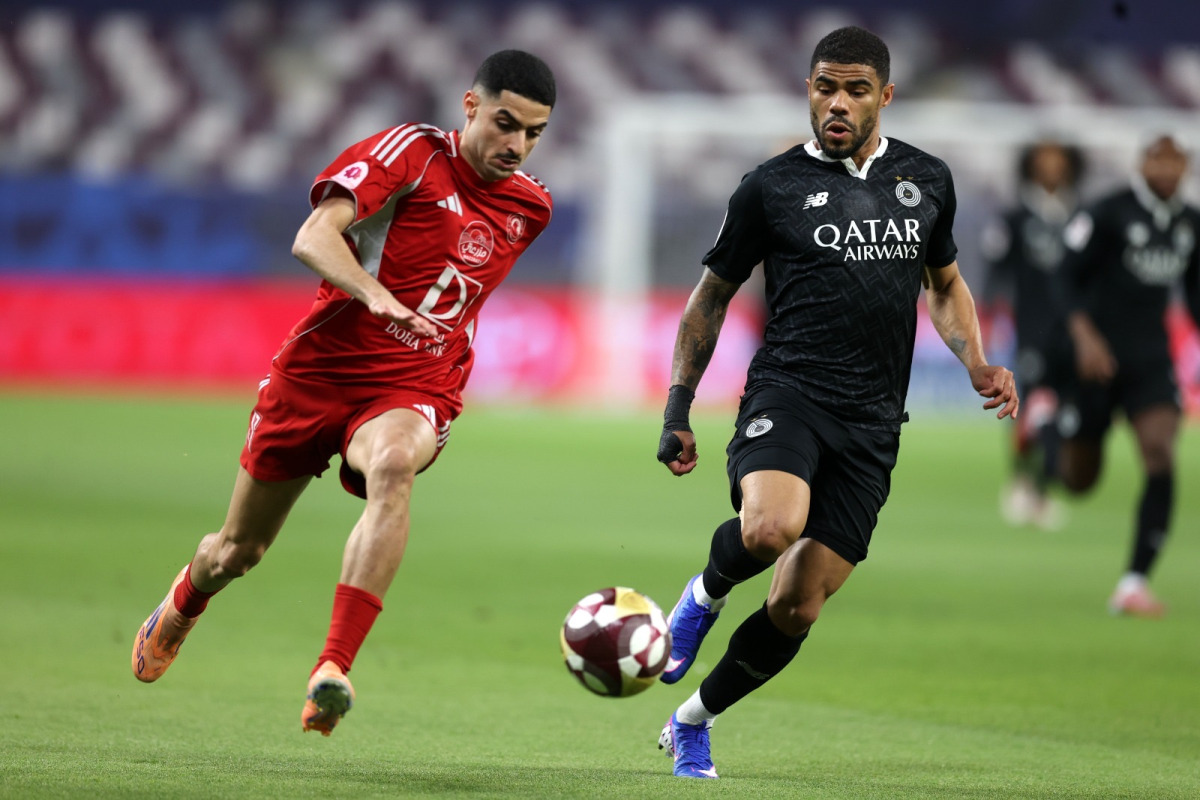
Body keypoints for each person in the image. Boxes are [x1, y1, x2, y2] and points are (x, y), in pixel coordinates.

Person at [131, 50, 556, 735]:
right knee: (237, 552)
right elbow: (313, 237)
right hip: (319, 374)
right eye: (506, 123)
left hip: (414, 383)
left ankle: (332, 668)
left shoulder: (531, 207)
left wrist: (420, 337)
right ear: (471, 106)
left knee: (393, 466)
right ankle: (184, 601)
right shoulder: (411, 153)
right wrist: (375, 294)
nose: (517, 144)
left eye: (534, 133)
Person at [652, 26, 1019, 779]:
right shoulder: (770, 185)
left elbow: (944, 285)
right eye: (825, 87)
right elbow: (708, 299)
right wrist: (677, 406)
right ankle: (703, 594)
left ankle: (693, 720)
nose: (838, 103)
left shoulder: (927, 180)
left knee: (800, 605)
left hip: (875, 420)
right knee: (770, 527)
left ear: (885, 95)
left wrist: (976, 359)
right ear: (809, 90)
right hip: (790, 391)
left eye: (855, 89)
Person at [1055, 133, 1200, 618]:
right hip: (1097, 361)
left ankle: (1134, 582)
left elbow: (1195, 295)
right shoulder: (1108, 212)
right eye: (1158, 159)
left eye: (1175, 161)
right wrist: (1085, 337)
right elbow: (1065, 277)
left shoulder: (1189, 223)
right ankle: (1049, 436)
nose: (1166, 169)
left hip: (1150, 362)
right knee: (1079, 480)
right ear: (1143, 164)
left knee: (1160, 453)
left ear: (1185, 167)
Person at [982, 140, 1086, 530]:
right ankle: (1028, 484)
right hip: (1032, 330)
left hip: (1074, 333)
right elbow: (996, 269)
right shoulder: (1015, 217)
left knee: (1063, 414)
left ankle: (1036, 488)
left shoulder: (1081, 216)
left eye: (1058, 162)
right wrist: (988, 314)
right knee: (1031, 408)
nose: (1051, 169)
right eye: (1043, 162)